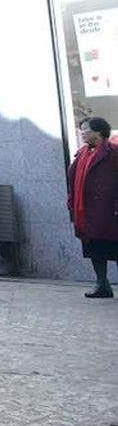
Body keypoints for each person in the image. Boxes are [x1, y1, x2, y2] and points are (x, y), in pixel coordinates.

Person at [67, 117, 118, 299]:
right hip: (87, 210)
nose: (82, 133)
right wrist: (71, 201)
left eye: (86, 129)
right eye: (81, 129)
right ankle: (102, 284)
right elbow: (74, 180)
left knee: (115, 246)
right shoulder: (82, 153)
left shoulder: (113, 151)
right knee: (94, 247)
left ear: (98, 132)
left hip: (109, 210)